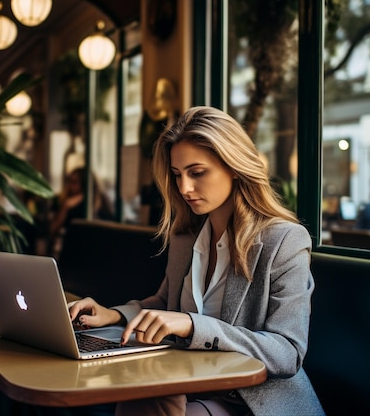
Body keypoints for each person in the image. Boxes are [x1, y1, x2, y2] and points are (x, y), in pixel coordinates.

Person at [68, 106, 325, 416]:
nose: (184, 188)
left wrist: (193, 325)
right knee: (139, 398)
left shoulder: (284, 240)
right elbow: (165, 303)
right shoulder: (186, 236)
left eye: (197, 172)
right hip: (186, 381)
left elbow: (287, 353)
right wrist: (113, 315)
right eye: (177, 175)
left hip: (250, 401)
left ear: (234, 166)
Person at [49, 167, 113, 257]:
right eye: (69, 181)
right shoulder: (63, 200)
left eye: (74, 182)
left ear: (85, 184)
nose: (70, 186)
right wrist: (65, 207)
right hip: (70, 249)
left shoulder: (101, 201)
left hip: (94, 250)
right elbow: (52, 229)